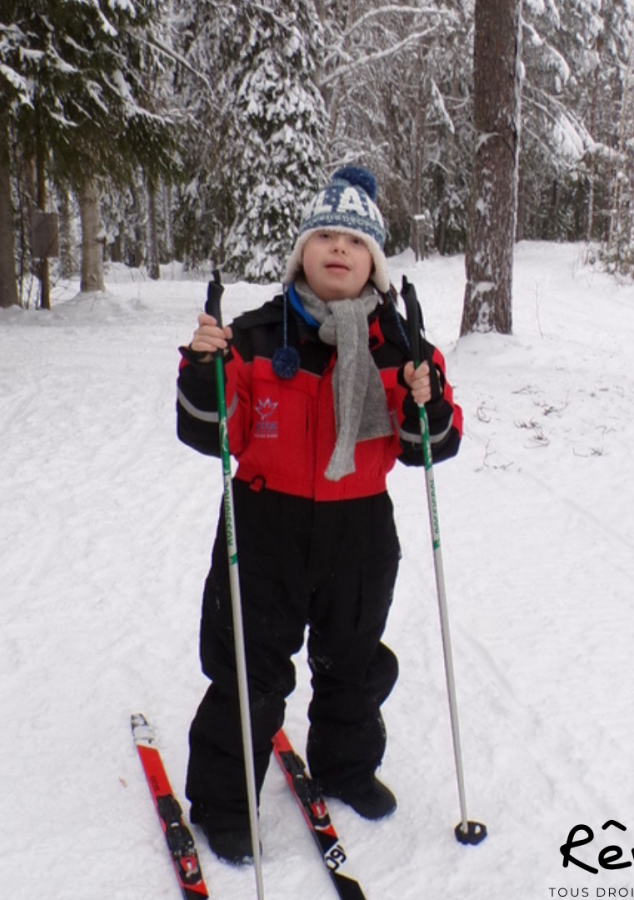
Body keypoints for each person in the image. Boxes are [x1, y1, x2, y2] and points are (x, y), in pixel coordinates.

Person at [176, 166, 462, 864]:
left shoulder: (404, 348)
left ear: (375, 263)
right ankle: (224, 802)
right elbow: (214, 433)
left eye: (356, 241)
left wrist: (425, 401)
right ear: (301, 252)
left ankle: (346, 766)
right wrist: (203, 372)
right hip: (264, 527)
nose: (339, 248)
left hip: (358, 531)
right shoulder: (252, 337)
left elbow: (431, 445)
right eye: (325, 236)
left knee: (352, 662)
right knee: (250, 670)